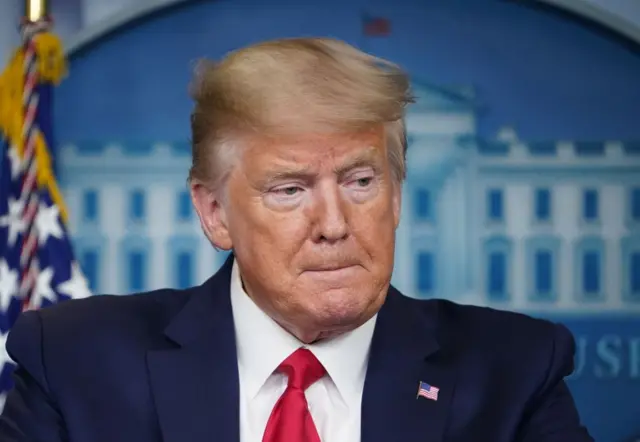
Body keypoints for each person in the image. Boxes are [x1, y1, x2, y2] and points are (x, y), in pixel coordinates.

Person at [0, 37, 593, 442]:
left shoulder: (513, 373)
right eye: (289, 190)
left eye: (362, 181)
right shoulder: (75, 365)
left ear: (398, 192)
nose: (335, 224)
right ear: (214, 214)